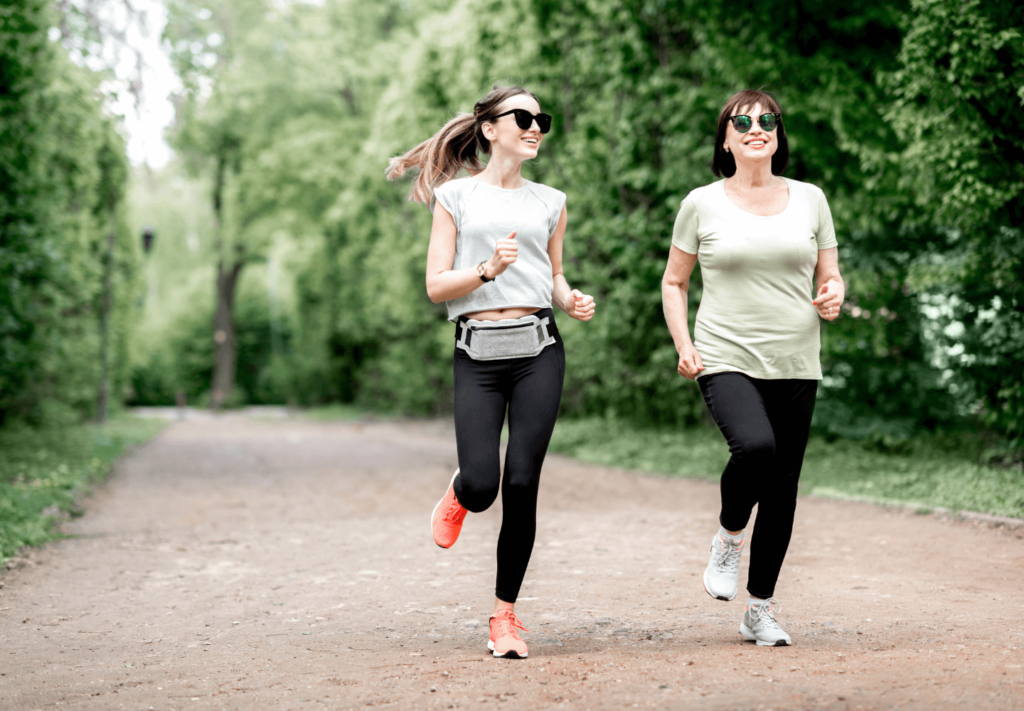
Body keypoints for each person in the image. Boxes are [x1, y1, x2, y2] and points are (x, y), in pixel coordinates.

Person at [386, 85, 596, 659]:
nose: (535, 127)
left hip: (538, 350)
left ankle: (505, 616)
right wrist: (485, 270)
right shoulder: (455, 198)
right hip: (476, 354)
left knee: (522, 484)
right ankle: (460, 491)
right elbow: (436, 286)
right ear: (490, 129)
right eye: (523, 117)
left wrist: (569, 296)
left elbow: (552, 275)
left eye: (542, 119)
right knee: (485, 485)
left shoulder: (551, 200)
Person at [661, 89, 845, 647]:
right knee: (756, 449)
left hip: (795, 358)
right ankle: (728, 536)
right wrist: (684, 342)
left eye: (767, 120)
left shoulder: (811, 199)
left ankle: (759, 609)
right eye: (742, 121)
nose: (755, 127)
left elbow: (830, 276)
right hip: (724, 354)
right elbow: (674, 282)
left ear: (778, 134)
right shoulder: (701, 203)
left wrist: (832, 294)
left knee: (784, 488)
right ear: (726, 138)